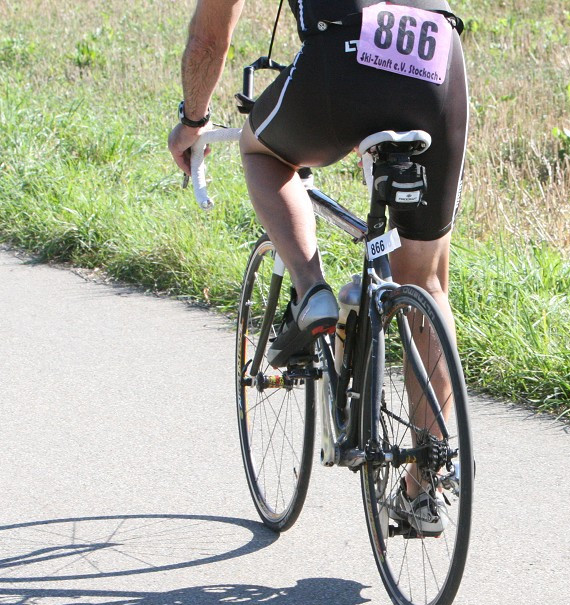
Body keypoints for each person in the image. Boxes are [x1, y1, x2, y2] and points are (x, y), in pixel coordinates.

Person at [168, 0, 468, 534]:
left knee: (260, 149)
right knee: (426, 281)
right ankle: (426, 485)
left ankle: (313, 292)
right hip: (437, 54)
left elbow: (210, 39)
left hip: (346, 50)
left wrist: (192, 121)